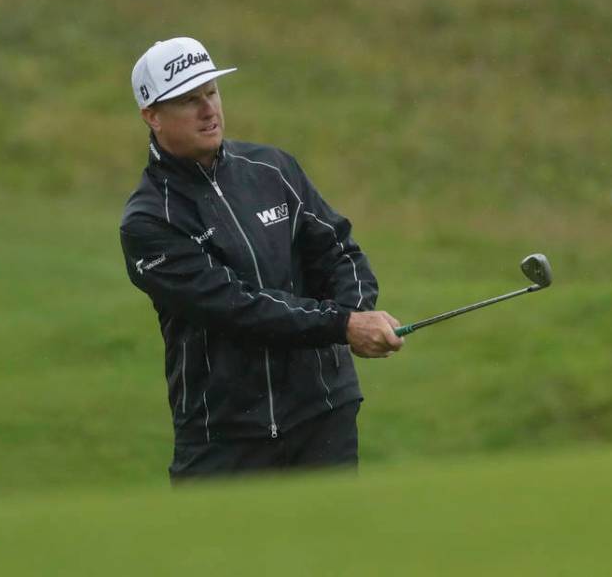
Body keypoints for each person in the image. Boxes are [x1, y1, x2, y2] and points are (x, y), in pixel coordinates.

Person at [119, 37, 404, 482]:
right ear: (152, 116)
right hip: (226, 438)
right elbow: (236, 306)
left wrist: (357, 310)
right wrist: (342, 325)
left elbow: (338, 251)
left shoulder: (272, 168)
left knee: (337, 550)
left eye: (211, 92)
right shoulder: (150, 221)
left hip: (322, 416)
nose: (208, 110)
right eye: (188, 101)